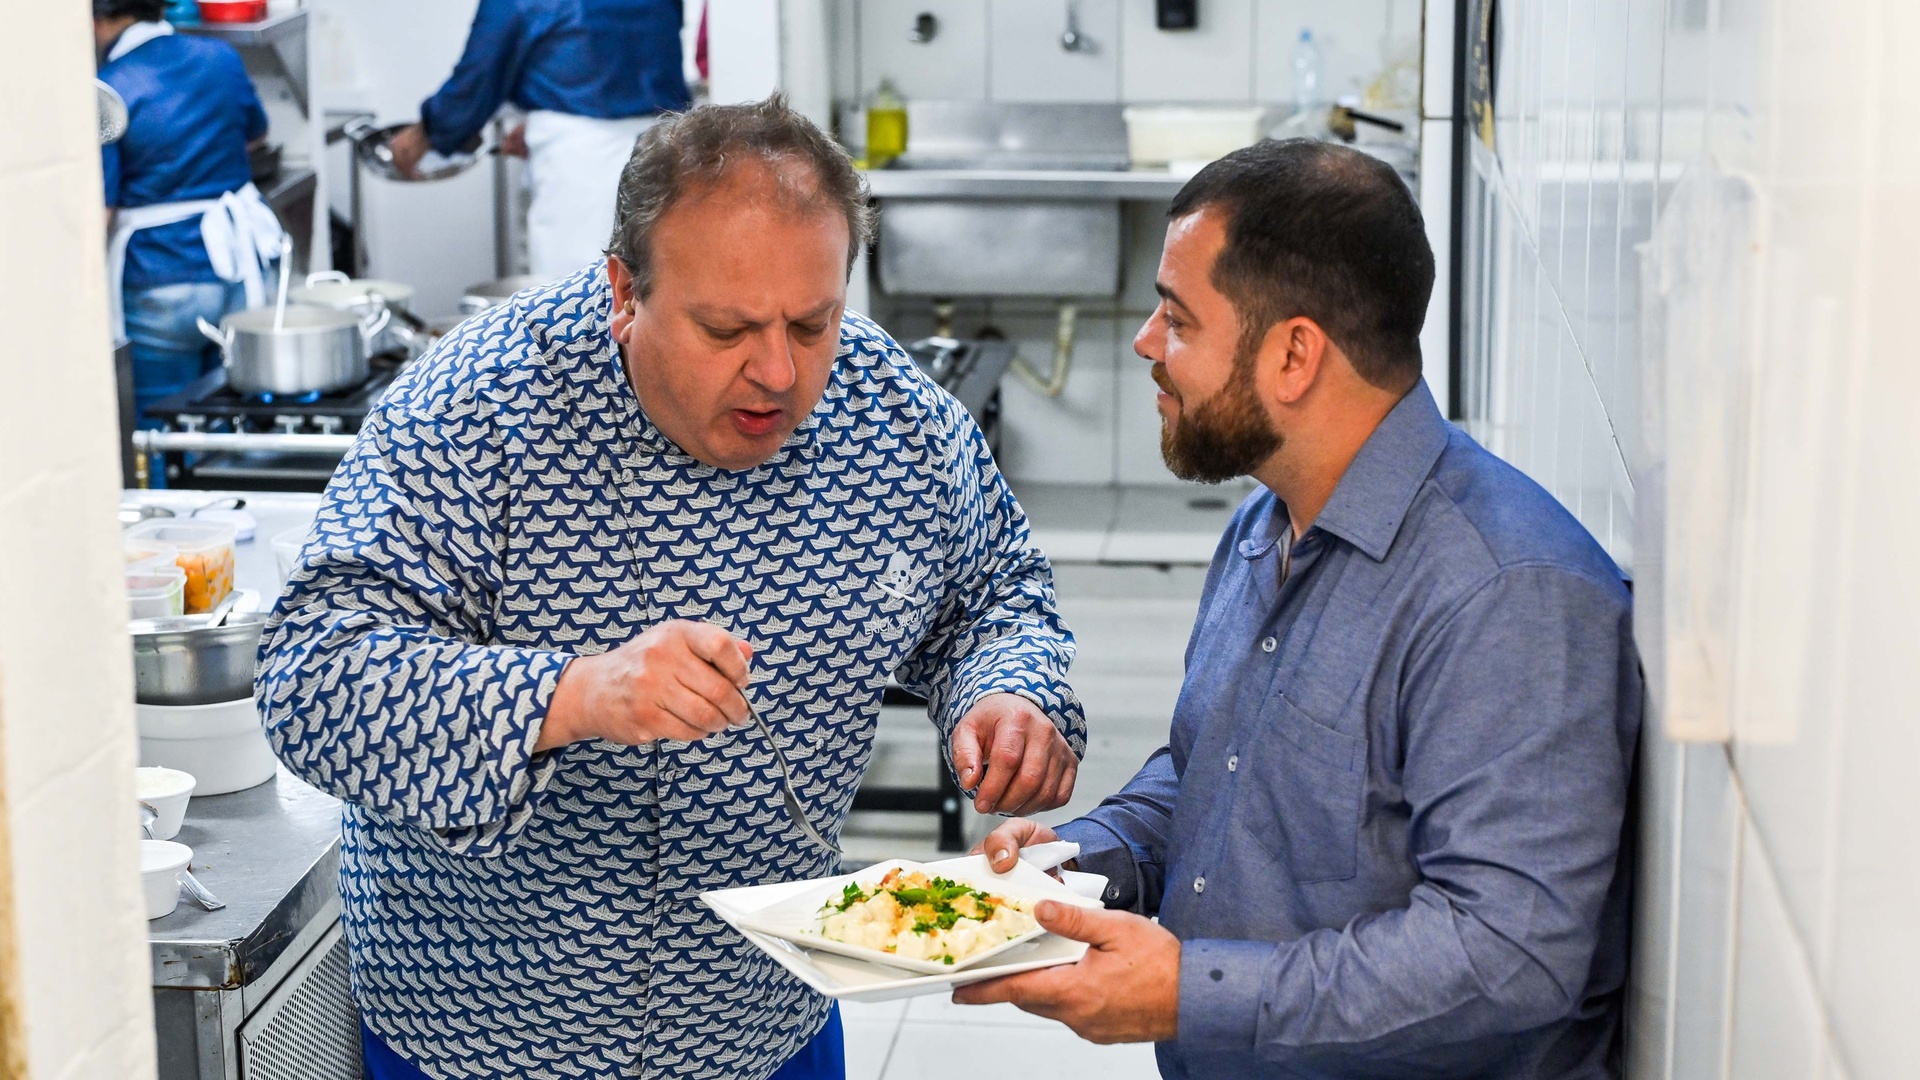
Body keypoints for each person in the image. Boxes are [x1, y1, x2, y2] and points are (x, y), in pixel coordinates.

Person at [257, 96, 1086, 1080]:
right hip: (484, 1037)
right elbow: (311, 678)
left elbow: (992, 591)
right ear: (624, 291)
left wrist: (1010, 690)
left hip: (763, 1019)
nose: (778, 372)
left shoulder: (891, 417)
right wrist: (572, 698)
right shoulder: (475, 415)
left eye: (812, 324)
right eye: (727, 328)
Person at [960, 139, 1641, 1079]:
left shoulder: (1506, 595)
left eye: (1178, 318)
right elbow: (1219, 772)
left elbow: (1509, 953)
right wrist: (1085, 859)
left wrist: (1185, 992)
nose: (1147, 344)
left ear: (1294, 355)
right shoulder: (1265, 518)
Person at [386, 0, 692, 282]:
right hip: (662, 144)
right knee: (650, 284)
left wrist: (426, 133)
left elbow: (481, 71)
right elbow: (624, 52)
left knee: (574, 297)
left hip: (578, 161)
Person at [96, 0, 284, 422]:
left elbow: (102, 209)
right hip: (238, 271)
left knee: (165, 431)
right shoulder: (219, 57)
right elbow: (256, 134)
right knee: (234, 420)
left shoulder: (108, 89)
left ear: (97, 20)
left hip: (160, 279)